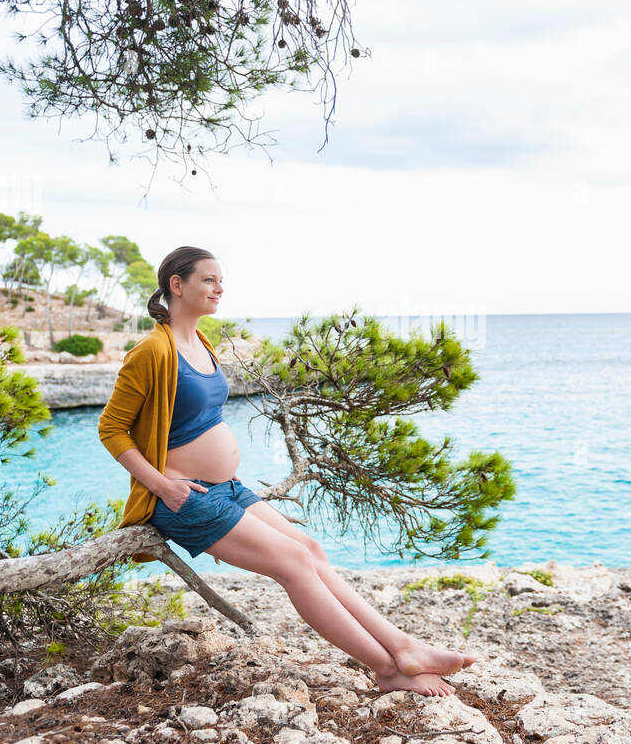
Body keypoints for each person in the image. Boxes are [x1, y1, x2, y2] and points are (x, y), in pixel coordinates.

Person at [98, 246, 475, 697]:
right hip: (185, 499)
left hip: (226, 488)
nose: (220, 287)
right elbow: (112, 429)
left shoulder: (201, 342)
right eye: (209, 280)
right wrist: (163, 485)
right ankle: (386, 668)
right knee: (294, 565)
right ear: (176, 286)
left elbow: (197, 421)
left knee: (309, 547)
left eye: (221, 280)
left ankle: (404, 646)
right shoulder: (150, 350)